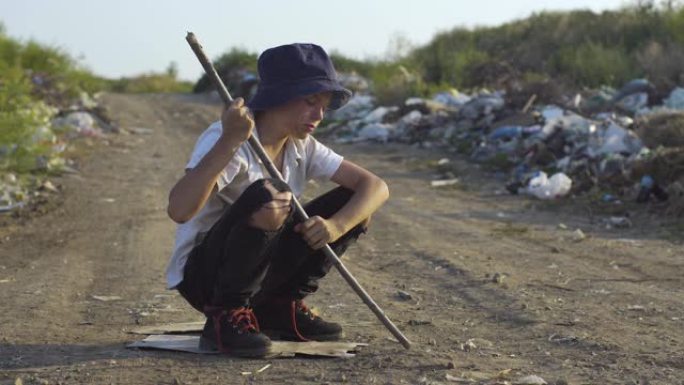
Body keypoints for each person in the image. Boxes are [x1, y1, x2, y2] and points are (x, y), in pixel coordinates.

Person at [165, 43, 389, 357]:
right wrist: (231, 139)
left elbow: (375, 186)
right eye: (311, 101)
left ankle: (278, 306)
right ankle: (225, 319)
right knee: (271, 195)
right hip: (206, 278)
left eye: (324, 105)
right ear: (278, 97)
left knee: (356, 206)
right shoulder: (227, 137)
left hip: (261, 272)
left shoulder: (303, 146)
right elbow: (179, 209)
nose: (320, 115)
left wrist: (336, 226)